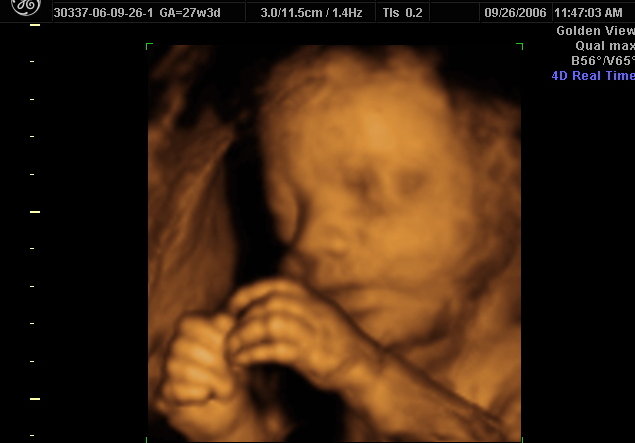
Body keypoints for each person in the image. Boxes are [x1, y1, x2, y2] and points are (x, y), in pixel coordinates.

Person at [155, 45, 520, 442]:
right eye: (284, 212)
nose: (310, 241)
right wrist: (237, 431)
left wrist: (372, 377)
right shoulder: (348, 388)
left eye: (372, 192)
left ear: (510, 184)